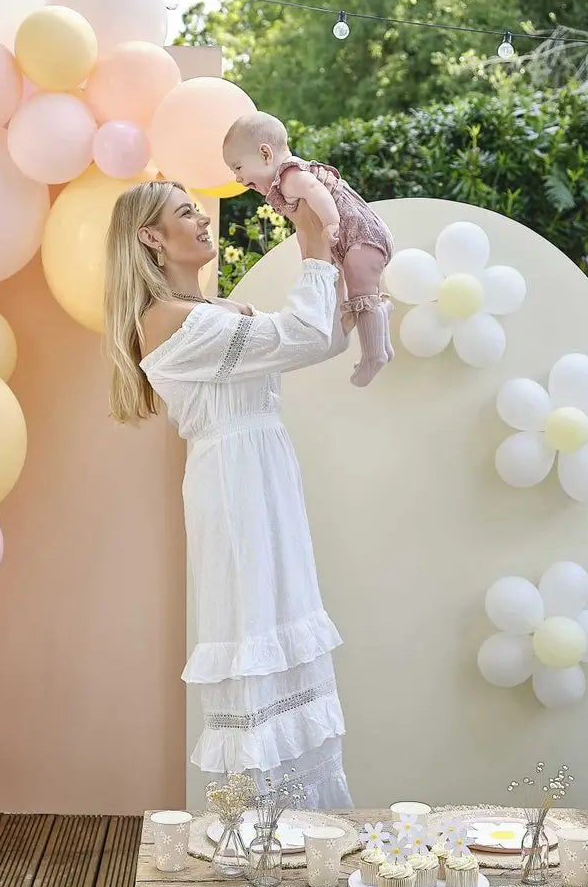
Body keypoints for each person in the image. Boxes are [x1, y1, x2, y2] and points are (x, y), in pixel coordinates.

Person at [102, 179, 353, 808]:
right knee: (251, 623)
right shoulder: (169, 320)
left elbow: (321, 337)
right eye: (186, 213)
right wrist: (313, 246)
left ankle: (303, 828)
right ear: (151, 238)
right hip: (235, 490)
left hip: (264, 478)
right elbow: (299, 334)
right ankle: (262, 829)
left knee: (281, 618)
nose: (204, 221)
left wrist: (355, 278)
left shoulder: (209, 313)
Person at [223, 110, 395, 387]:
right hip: (354, 241)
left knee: (362, 293)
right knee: (363, 295)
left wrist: (330, 223)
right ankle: (381, 337)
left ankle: (373, 356)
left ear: (265, 153)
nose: (238, 179)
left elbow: (317, 191)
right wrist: (312, 263)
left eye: (238, 167)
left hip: (361, 237)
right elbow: (304, 230)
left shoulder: (290, 175)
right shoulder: (284, 186)